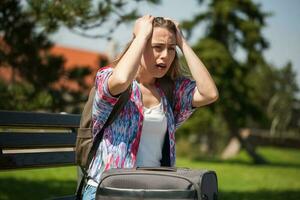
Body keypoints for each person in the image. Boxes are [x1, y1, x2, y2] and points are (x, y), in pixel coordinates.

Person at [82, 15, 218, 200]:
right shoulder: (108, 78)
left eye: (171, 49)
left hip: (155, 190)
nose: (165, 56)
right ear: (139, 46)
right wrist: (141, 35)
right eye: (157, 47)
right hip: (108, 191)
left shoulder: (170, 91)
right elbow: (122, 79)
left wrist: (182, 42)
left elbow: (209, 93)